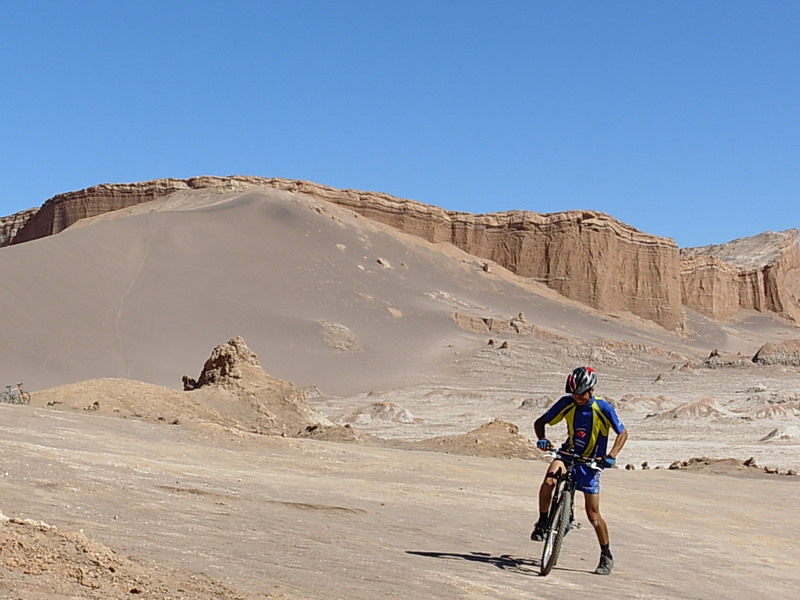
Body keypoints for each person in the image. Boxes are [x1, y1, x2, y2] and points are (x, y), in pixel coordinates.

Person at [530, 366, 628, 576]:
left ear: (591, 390)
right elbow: (540, 422)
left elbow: (622, 433)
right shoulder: (567, 403)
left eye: (580, 394)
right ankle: (543, 521)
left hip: (591, 462)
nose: (577, 398)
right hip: (568, 454)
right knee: (549, 481)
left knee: (593, 514)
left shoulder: (603, 408)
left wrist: (612, 455)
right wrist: (543, 438)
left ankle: (606, 554)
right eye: (573, 394)